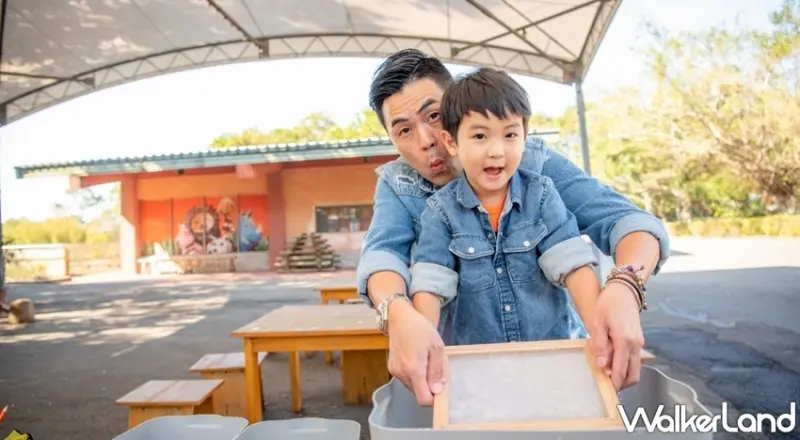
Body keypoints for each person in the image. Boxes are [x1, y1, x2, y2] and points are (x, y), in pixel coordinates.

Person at [357, 48, 670, 406]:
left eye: (434, 115)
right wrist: (399, 315)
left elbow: (628, 223)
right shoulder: (400, 184)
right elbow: (383, 255)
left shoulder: (534, 167)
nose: (426, 139)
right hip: (467, 375)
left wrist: (624, 285)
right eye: (404, 130)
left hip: (556, 361)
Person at [409, 67, 602, 346]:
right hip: (480, 362)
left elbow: (573, 264)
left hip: (551, 351)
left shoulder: (542, 194)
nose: (497, 151)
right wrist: (423, 341)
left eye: (510, 135)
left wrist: (600, 329)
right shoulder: (441, 211)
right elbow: (430, 284)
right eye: (480, 136)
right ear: (451, 142)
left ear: (525, 136)